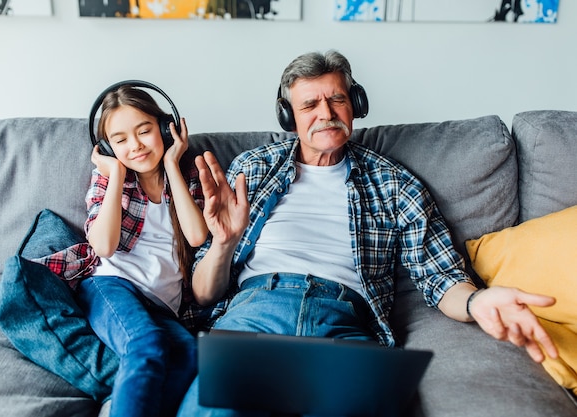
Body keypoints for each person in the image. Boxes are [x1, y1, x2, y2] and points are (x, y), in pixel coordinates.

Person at [177, 50, 559, 416]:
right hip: (257, 311)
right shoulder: (253, 168)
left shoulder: (395, 182)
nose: (326, 114)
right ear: (288, 117)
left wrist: (479, 302)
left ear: (355, 104)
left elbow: (440, 277)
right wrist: (224, 243)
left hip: (344, 320)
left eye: (337, 99)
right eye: (309, 105)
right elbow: (203, 293)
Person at [76, 84, 208, 417]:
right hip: (111, 286)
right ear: (107, 147)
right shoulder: (108, 179)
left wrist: (173, 164)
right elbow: (103, 246)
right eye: (120, 140)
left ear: (167, 128)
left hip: (163, 303)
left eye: (145, 131)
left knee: (191, 356)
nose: (135, 145)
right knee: (145, 344)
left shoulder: (188, 171)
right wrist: (117, 174)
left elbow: (195, 236)